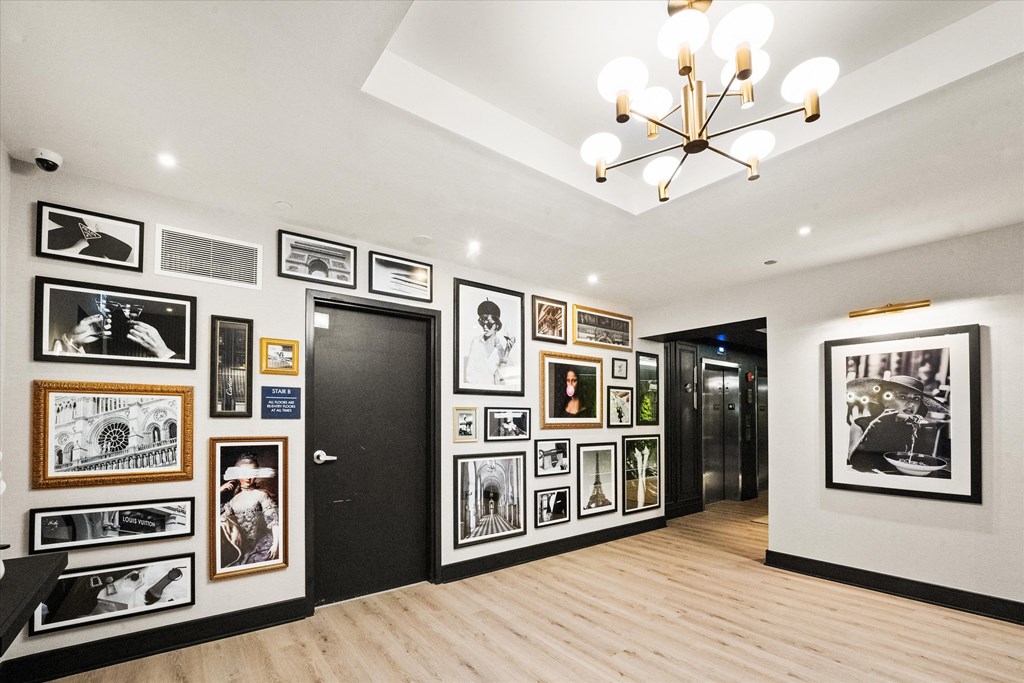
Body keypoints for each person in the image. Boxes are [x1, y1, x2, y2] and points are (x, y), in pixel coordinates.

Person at [847, 375, 950, 473]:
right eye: (903, 397)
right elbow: (855, 462)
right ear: (884, 400)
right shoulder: (861, 424)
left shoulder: (917, 428)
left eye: (916, 398)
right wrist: (874, 427)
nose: (911, 403)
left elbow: (923, 463)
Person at [219, 454, 281, 567]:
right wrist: (219, 490)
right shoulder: (233, 500)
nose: (248, 478)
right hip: (243, 549)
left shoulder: (261, 495)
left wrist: (276, 544)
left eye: (252, 474)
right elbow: (219, 520)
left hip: (263, 545)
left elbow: (274, 521)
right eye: (244, 474)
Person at [464, 299, 516, 385]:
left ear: (497, 325)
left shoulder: (502, 348)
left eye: (489, 324)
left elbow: (501, 380)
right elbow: (469, 375)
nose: (485, 327)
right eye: (482, 323)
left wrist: (507, 352)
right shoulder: (476, 342)